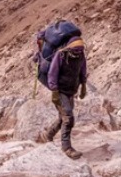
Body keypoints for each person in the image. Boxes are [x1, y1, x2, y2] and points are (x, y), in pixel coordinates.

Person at [34, 23, 87, 160]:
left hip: (71, 89)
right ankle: (67, 148)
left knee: (62, 117)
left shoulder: (80, 54)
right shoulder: (60, 55)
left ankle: (48, 135)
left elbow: (82, 70)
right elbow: (52, 74)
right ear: (70, 46)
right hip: (60, 89)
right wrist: (55, 92)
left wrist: (83, 86)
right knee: (68, 118)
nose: (78, 51)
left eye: (80, 49)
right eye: (76, 49)